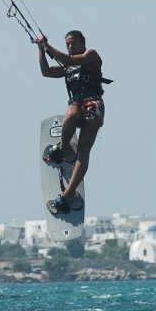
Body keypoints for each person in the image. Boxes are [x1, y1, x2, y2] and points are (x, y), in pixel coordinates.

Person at [36, 30, 110, 214]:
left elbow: (72, 61)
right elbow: (46, 72)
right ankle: (64, 148)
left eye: (73, 43)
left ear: (82, 42)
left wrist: (48, 47)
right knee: (70, 114)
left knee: (84, 150)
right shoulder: (67, 66)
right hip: (77, 105)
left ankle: (67, 195)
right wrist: (40, 50)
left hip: (93, 104)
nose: (70, 47)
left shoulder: (90, 55)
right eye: (67, 44)